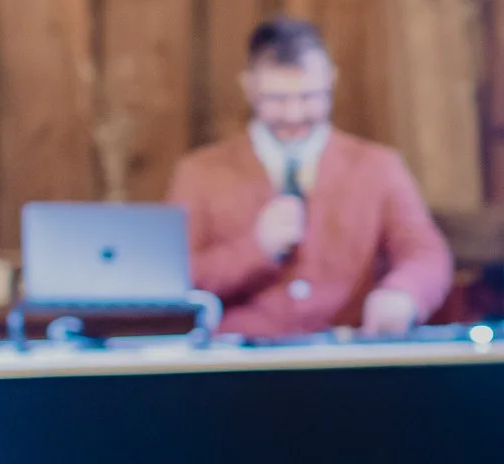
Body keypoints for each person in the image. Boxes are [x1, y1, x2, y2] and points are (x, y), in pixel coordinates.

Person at [167, 18, 453, 339]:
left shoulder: (378, 166)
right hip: (239, 367)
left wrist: (403, 293)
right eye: (277, 100)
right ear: (249, 87)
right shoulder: (200, 172)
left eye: (308, 97)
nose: (294, 115)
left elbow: (425, 253)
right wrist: (255, 249)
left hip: (347, 361)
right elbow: (175, 278)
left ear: (331, 81)